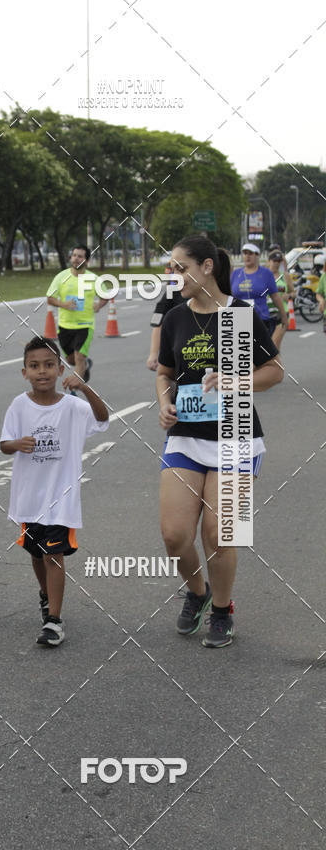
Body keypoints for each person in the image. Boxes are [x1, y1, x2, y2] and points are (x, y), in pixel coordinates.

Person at [157, 235, 282, 647]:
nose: (173, 275)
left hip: (236, 435)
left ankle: (224, 610)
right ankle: (198, 592)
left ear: (207, 267)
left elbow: (274, 372)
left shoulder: (240, 315)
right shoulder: (175, 317)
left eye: (180, 267)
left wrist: (235, 381)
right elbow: (164, 372)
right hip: (185, 437)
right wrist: (164, 403)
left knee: (220, 533)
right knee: (175, 535)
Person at [0, 337, 109, 646]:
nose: (42, 372)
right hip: (29, 499)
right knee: (37, 554)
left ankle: (54, 621)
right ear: (24, 372)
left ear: (61, 369)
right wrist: (16, 444)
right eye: (34, 366)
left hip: (61, 500)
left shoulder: (73, 407)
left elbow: (102, 419)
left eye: (49, 365)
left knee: (53, 555)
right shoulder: (19, 405)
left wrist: (85, 388)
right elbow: (4, 443)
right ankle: (46, 595)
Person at [46, 245, 108, 383]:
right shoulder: (61, 277)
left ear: (86, 261)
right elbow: (50, 298)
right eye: (74, 255)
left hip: (85, 325)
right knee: (71, 359)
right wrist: (64, 304)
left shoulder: (94, 279)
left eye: (80, 256)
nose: (76, 258)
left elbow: (105, 296)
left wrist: (99, 305)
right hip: (64, 325)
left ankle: (76, 387)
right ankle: (84, 366)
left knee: (79, 357)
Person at [230, 242, 288, 338]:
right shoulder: (236, 274)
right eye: (245, 253)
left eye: (250, 253)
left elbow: (275, 296)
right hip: (239, 320)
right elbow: (229, 297)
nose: (247, 256)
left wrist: (283, 316)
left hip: (260, 320)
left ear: (257, 255)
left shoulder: (266, 274)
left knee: (259, 351)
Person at [147, 268, 183, 370]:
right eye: (173, 270)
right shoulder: (172, 292)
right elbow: (158, 323)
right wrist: (153, 353)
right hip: (177, 354)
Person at [266, 250, 294, 350]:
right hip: (265, 314)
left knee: (274, 345)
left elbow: (293, 292)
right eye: (274, 261)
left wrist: (289, 296)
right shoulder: (263, 275)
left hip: (281, 314)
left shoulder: (284, 276)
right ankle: (276, 365)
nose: (276, 264)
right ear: (269, 261)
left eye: (279, 261)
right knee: (267, 348)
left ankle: (275, 364)